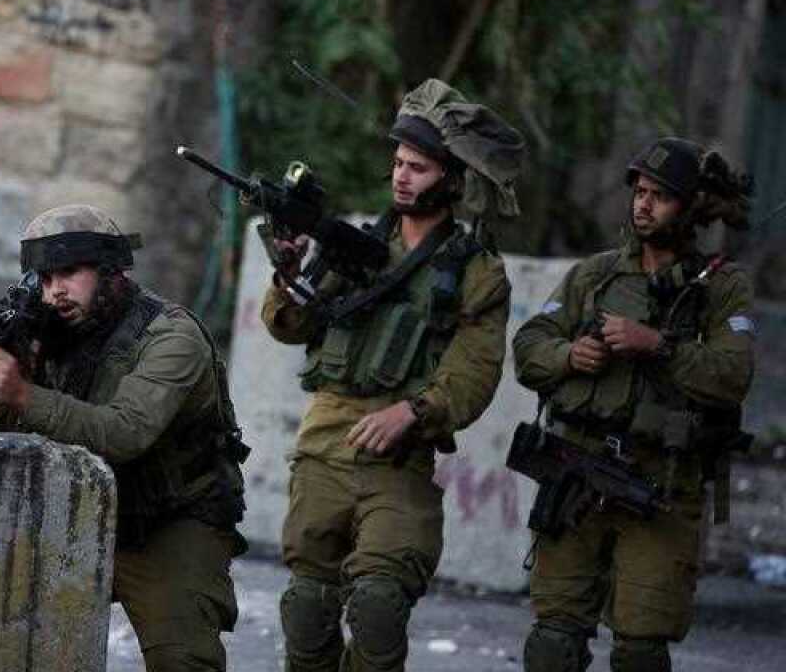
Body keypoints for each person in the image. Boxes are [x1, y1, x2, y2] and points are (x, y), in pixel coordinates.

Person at [262, 79, 523, 671]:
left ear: (452, 180)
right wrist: (287, 273)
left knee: (379, 608)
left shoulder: (475, 272)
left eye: (420, 168)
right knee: (307, 608)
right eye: (399, 164)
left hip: (399, 461)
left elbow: (474, 375)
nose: (403, 177)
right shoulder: (354, 244)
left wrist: (413, 411)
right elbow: (289, 326)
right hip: (325, 445)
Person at [512, 137, 755, 672]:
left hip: (658, 487)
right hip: (577, 475)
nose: (643, 205)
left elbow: (733, 375)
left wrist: (659, 346)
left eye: (660, 196)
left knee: (640, 652)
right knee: (552, 642)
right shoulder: (595, 275)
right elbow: (529, 345)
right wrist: (569, 354)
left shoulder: (721, 288)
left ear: (690, 207)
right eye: (639, 192)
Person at [0, 204, 248, 672]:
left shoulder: (170, 337)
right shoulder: (54, 331)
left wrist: (24, 393)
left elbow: (125, 433)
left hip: (171, 519)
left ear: (110, 272)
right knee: (2, 642)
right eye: (44, 280)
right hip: (80, 515)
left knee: (182, 661)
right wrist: (18, 362)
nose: (55, 291)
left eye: (69, 272)